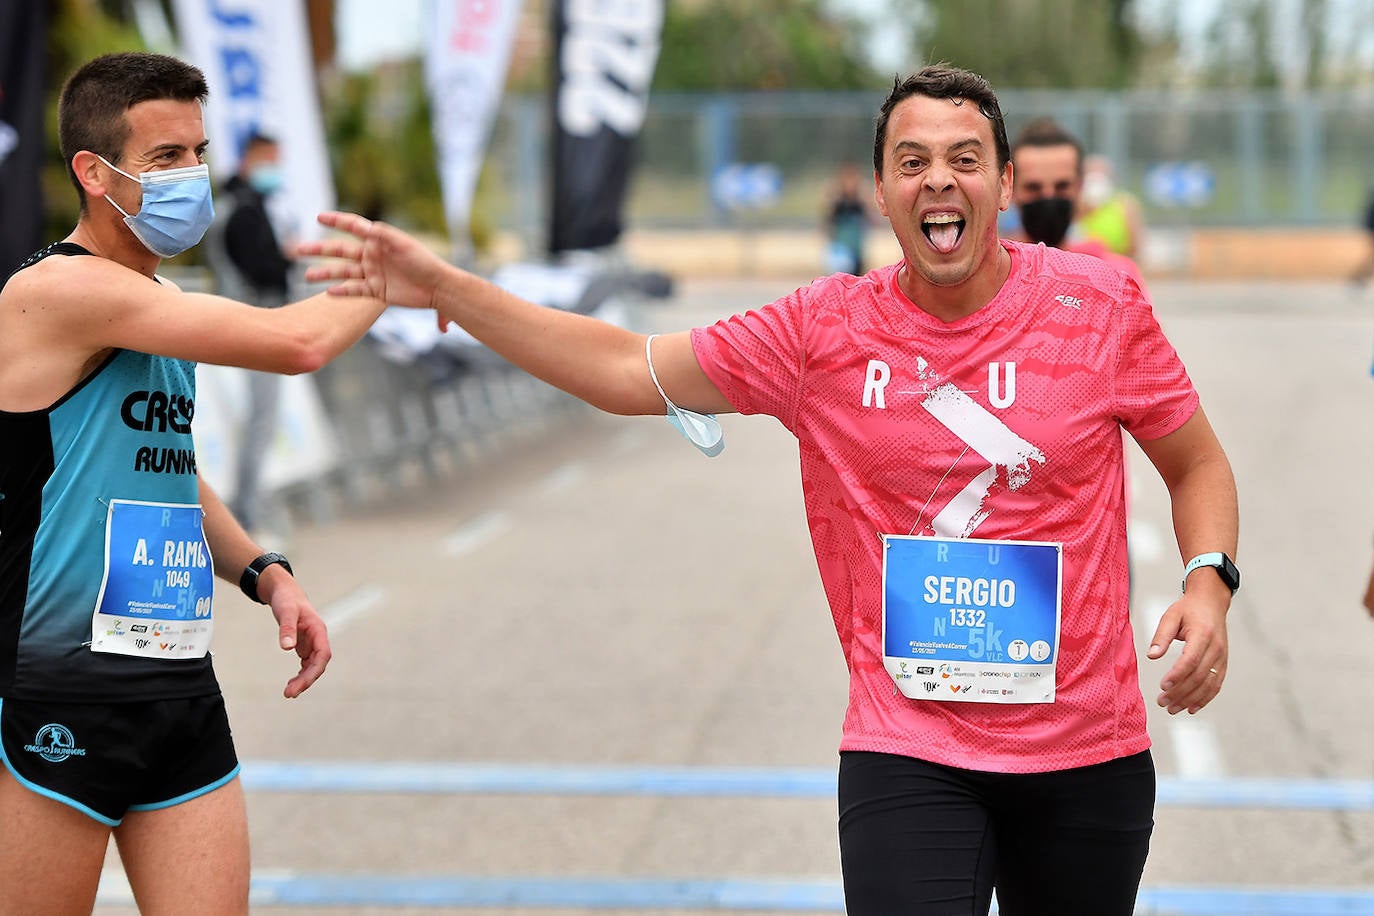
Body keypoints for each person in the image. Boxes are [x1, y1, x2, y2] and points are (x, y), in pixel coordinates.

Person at [302, 64, 1240, 915]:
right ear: (880, 192)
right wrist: (451, 292)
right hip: (908, 742)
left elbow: (1194, 462)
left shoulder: (1097, 307)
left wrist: (1207, 582)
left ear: (1000, 183)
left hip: (1085, 749)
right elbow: (629, 369)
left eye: (965, 158)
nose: (940, 180)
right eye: (912, 162)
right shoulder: (822, 331)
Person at [0, 52, 392, 915]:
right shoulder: (59, 291)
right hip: (54, 689)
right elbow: (299, 345)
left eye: (198, 152)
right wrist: (397, 277)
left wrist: (265, 573)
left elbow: (170, 470)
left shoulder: (152, 298)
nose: (193, 176)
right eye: (165, 157)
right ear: (93, 174)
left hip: (176, 685)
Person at [204, 131, 296, 542]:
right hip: (252, 324)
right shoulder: (242, 211)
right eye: (270, 160)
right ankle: (246, 517)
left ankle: (248, 511)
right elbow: (259, 269)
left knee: (258, 423)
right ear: (252, 159)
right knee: (258, 422)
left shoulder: (245, 206)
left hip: (245, 323)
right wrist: (284, 261)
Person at [1008, 116, 1146, 288]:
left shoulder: (1117, 275)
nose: (1049, 197)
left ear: (1079, 187)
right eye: (1034, 188)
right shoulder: (993, 276)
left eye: (1062, 187)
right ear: (1010, 189)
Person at [1078, 153, 1146, 260]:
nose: (1096, 181)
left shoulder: (1125, 204)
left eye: (1101, 174)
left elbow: (1135, 244)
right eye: (1091, 174)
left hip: (1116, 263)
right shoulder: (1075, 205)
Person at [823, 161, 872, 275]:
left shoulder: (860, 198)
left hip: (857, 248)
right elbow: (827, 220)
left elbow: (871, 218)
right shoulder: (836, 199)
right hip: (840, 249)